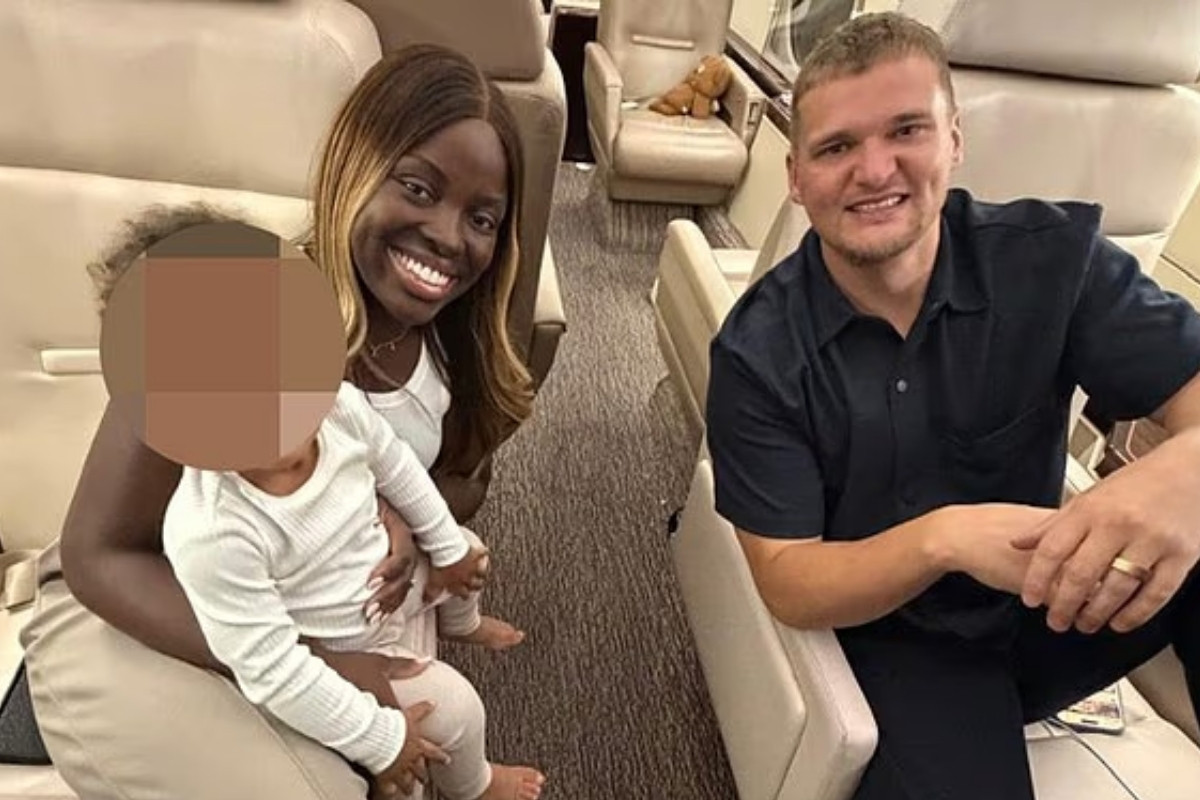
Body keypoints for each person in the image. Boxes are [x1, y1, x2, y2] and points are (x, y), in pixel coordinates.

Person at [22, 43, 539, 800]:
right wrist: (321, 666)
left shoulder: (453, 340)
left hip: (294, 589)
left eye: (481, 218)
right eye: (416, 188)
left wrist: (391, 506)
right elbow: (99, 553)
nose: (447, 235)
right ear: (353, 167)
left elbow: (458, 480)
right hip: (147, 598)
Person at [705, 12, 1200, 800]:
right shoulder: (757, 354)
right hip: (899, 640)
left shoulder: (1053, 262)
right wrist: (945, 540)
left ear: (954, 140)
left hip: (1052, 597)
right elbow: (789, 578)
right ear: (796, 177)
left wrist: (1175, 477)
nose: (875, 170)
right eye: (836, 147)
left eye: (907, 130)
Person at [161, 381, 545, 800]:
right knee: (458, 709)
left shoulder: (339, 407)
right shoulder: (211, 530)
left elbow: (397, 467)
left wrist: (447, 549)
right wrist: (380, 739)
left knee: (470, 549)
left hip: (392, 573)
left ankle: (462, 624)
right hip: (347, 645)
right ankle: (476, 786)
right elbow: (271, 670)